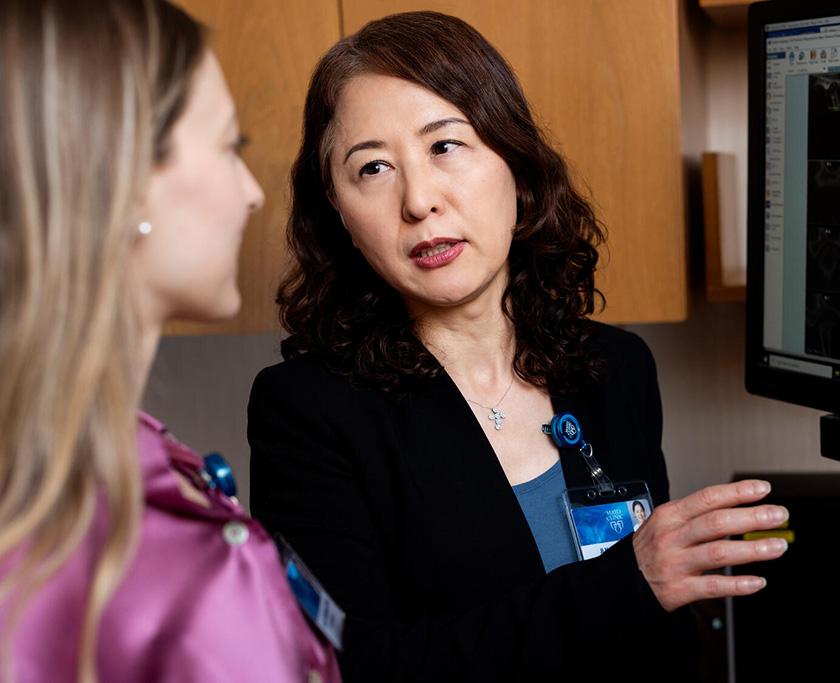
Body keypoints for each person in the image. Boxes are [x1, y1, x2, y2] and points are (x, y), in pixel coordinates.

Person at [248, 11, 789, 682]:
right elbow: (353, 668)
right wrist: (627, 582)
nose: (419, 200)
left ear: (516, 165)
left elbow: (662, 636)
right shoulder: (307, 412)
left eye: (445, 146)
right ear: (337, 209)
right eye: (374, 168)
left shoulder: (615, 369)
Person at [0, 1, 341, 681]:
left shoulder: (140, 457)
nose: (250, 193)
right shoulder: (159, 560)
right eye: (228, 146)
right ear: (122, 178)